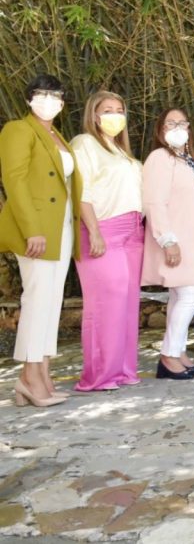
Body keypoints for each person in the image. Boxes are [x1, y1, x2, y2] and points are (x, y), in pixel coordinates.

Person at [0, 75, 82, 406]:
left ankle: (43, 374)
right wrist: (32, 228)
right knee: (37, 300)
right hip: (38, 228)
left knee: (51, 302)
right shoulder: (18, 130)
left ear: (63, 103)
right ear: (29, 98)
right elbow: (15, 181)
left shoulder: (56, 135)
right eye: (41, 94)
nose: (49, 100)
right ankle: (28, 377)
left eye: (55, 95)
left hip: (61, 226)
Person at [70, 90, 144, 391]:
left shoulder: (122, 151)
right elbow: (81, 192)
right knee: (105, 304)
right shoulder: (85, 144)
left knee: (127, 303)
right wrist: (94, 231)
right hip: (103, 229)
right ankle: (100, 375)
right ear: (94, 114)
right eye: (108, 110)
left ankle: (124, 369)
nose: (115, 115)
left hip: (133, 231)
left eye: (119, 110)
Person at [141, 108, 194, 379]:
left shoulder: (189, 160)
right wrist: (167, 239)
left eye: (182, 123)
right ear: (160, 130)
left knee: (180, 297)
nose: (177, 127)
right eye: (170, 123)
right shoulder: (160, 158)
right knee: (191, 296)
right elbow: (154, 202)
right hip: (179, 241)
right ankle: (168, 356)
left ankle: (178, 352)